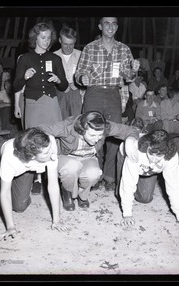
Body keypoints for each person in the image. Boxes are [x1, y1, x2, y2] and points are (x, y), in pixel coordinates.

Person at [74, 16, 140, 192]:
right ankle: (94, 175)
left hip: (113, 94)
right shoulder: (90, 48)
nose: (110, 27)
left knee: (115, 135)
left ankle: (110, 177)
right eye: (106, 23)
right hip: (93, 93)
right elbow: (79, 73)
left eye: (113, 24)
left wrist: (133, 71)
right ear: (100, 26)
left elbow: (128, 77)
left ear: (117, 27)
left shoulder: (124, 49)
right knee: (92, 134)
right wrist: (82, 78)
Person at [37, 111, 139, 211]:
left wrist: (130, 141)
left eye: (100, 135)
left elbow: (130, 131)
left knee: (94, 173)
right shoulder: (67, 127)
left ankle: (82, 195)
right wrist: (50, 140)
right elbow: (38, 130)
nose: (96, 139)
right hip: (67, 157)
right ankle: (67, 191)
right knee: (72, 167)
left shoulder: (103, 126)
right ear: (82, 129)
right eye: (92, 135)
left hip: (88, 157)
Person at [0, 127, 69, 242]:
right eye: (47, 153)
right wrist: (10, 227)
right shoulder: (10, 160)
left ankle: (17, 185)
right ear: (33, 156)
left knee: (20, 207)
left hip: (26, 165)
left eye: (50, 149)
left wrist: (57, 221)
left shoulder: (49, 143)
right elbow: (5, 193)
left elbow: (53, 185)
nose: (53, 154)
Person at [13, 22, 68, 195]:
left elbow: (64, 85)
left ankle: (54, 176)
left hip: (51, 102)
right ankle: (37, 178)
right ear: (34, 38)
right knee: (34, 139)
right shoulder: (25, 58)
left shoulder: (55, 59)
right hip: (33, 103)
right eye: (42, 37)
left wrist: (58, 80)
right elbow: (15, 85)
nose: (46, 41)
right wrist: (24, 77)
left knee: (52, 138)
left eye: (48, 38)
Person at [116, 129, 179, 228]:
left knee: (145, 198)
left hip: (148, 168)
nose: (154, 159)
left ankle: (142, 178)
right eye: (151, 153)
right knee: (120, 192)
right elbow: (128, 182)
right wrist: (127, 214)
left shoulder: (171, 156)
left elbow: (174, 184)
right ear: (147, 147)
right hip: (125, 155)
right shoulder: (135, 151)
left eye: (159, 155)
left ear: (167, 152)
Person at [53, 26, 84, 120]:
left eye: (71, 44)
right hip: (59, 93)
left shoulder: (81, 55)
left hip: (76, 92)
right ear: (59, 40)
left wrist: (79, 84)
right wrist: (60, 85)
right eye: (65, 44)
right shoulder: (53, 56)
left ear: (75, 41)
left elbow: (87, 74)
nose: (68, 47)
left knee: (77, 121)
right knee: (61, 121)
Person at [160, 88, 179, 154]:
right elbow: (162, 116)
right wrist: (174, 117)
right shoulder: (164, 103)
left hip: (177, 124)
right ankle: (167, 145)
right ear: (175, 95)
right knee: (165, 121)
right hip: (168, 125)